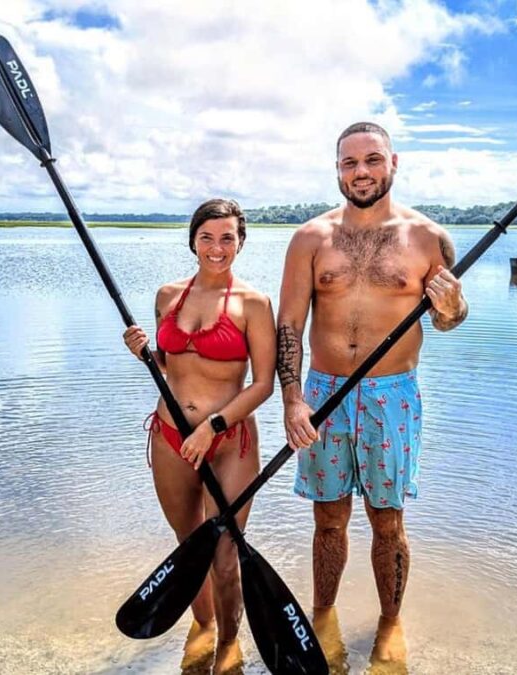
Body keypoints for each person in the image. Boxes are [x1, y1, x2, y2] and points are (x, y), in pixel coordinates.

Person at [276, 122, 468, 667]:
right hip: (324, 394)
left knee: (388, 520)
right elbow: (288, 324)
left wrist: (453, 310)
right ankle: (322, 615)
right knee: (328, 519)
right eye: (349, 163)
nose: (361, 172)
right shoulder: (310, 238)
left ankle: (390, 621)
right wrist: (293, 400)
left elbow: (449, 319)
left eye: (372, 160)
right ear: (337, 169)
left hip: (393, 396)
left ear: (393, 162)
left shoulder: (428, 238)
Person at [123, 198, 276, 674]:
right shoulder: (168, 296)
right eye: (207, 237)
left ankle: (230, 646)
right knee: (188, 544)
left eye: (227, 237)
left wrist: (213, 427)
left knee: (226, 555)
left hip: (229, 444)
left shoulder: (253, 303)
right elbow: (174, 368)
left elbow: (264, 384)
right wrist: (145, 354)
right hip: (171, 437)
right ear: (192, 240)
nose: (216, 247)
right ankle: (204, 628)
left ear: (241, 242)